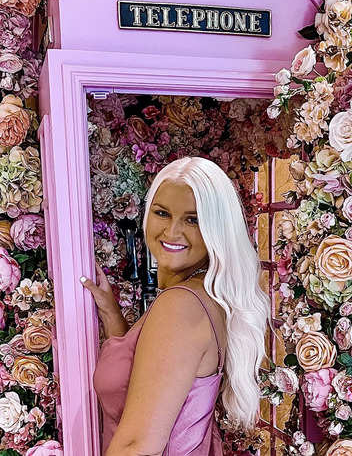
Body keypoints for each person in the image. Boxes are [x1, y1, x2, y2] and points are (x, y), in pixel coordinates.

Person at [81, 156, 270, 455]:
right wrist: (110, 313)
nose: (171, 232)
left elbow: (137, 446)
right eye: (162, 213)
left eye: (192, 219)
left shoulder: (181, 306)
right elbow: (145, 379)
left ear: (216, 229)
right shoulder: (199, 294)